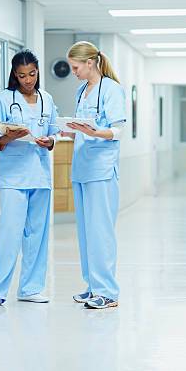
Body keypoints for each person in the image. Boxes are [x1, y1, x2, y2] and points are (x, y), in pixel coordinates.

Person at [0, 50, 59, 309]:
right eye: (22, 75)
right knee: (9, 234)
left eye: (33, 74)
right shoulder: (5, 99)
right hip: (14, 176)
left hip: (40, 176)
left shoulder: (47, 99)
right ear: (15, 74)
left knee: (37, 234)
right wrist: (10, 137)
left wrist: (50, 142)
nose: (28, 80)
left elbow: (53, 135)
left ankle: (31, 288)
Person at [65, 41, 126, 309]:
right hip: (82, 169)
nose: (74, 72)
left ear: (90, 63)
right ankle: (93, 286)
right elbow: (82, 127)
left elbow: (117, 130)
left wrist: (93, 132)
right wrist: (68, 130)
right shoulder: (82, 91)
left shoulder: (111, 90)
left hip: (101, 170)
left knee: (101, 232)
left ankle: (108, 292)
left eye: (76, 67)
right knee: (86, 232)